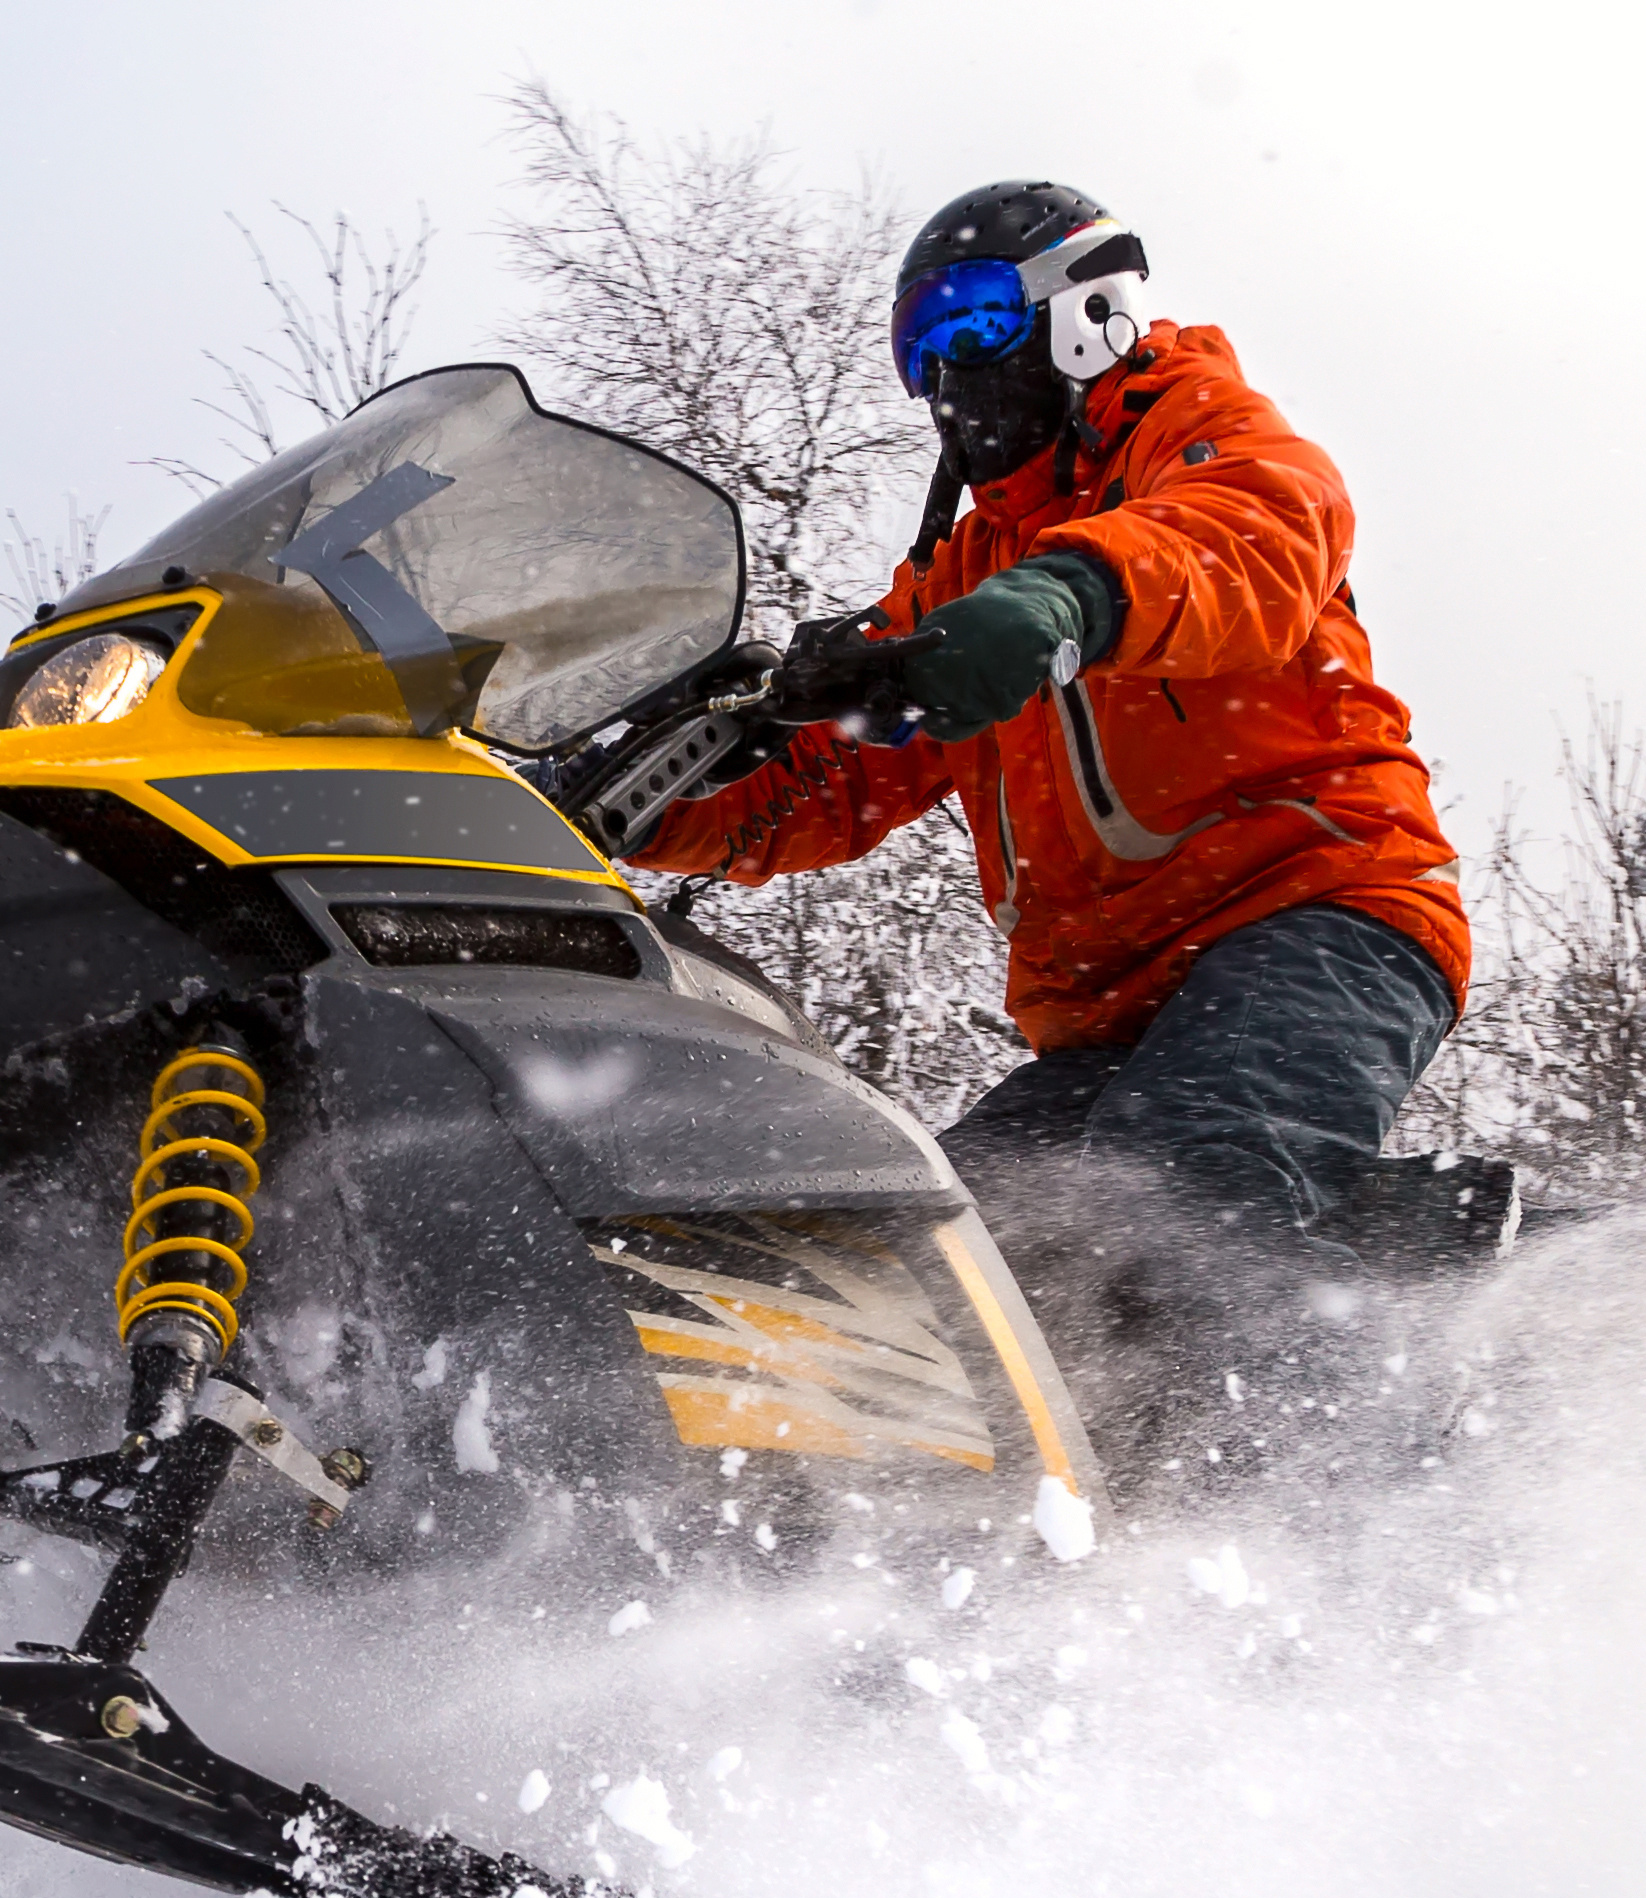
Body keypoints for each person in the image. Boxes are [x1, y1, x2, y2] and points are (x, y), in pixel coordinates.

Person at [620, 182, 1466, 1327]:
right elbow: (838, 777)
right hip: (1120, 1014)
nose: (951, 373)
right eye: (923, 349)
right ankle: (1443, 1259)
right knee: (949, 1273)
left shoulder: (1192, 438)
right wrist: (644, 795)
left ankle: (1314, 1495)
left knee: (1170, 1211)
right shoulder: (964, 580)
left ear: (1085, 310)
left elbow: (1255, 527)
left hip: (1315, 920)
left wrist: (1068, 596)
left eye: (972, 321)